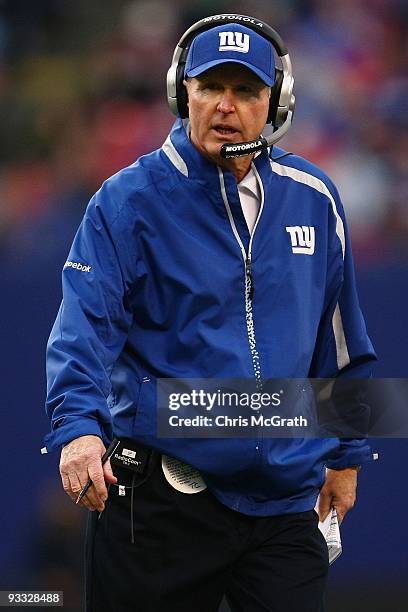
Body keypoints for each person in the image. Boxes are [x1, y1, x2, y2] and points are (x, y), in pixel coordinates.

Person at [44, 14, 377, 612]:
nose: (226, 106)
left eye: (246, 91)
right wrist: (78, 431)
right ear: (182, 93)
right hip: (162, 499)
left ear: (277, 102)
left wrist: (346, 455)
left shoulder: (315, 197)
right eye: (209, 88)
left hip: (284, 503)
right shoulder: (127, 201)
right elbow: (82, 330)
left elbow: (343, 342)